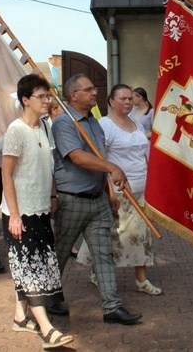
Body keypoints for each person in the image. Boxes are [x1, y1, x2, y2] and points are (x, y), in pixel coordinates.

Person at [51, 73, 143, 325]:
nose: (94, 93)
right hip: (72, 200)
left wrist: (109, 191)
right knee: (59, 253)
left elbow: (99, 158)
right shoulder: (64, 123)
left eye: (94, 89)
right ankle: (48, 298)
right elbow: (78, 157)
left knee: (104, 254)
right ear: (73, 96)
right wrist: (112, 167)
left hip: (97, 199)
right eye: (88, 89)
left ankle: (112, 307)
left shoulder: (94, 123)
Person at [1, 74, 74, 349]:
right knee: (30, 268)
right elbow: (7, 176)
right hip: (19, 212)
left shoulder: (45, 126)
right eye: (41, 96)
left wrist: (53, 196)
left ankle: (20, 318)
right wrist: (16, 215)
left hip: (41, 209)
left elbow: (50, 167)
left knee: (36, 264)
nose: (47, 101)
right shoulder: (15, 130)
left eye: (48, 96)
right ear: (25, 100)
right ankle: (46, 329)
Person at [76, 84, 162, 295]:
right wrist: (110, 191)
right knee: (112, 236)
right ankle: (98, 271)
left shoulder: (136, 124)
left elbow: (143, 154)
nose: (127, 102)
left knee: (141, 235)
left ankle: (141, 279)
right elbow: (100, 160)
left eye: (130, 99)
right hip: (119, 191)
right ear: (111, 102)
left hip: (141, 189)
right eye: (122, 99)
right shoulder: (105, 125)